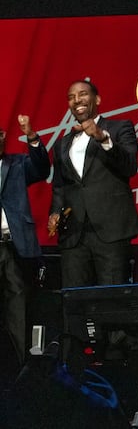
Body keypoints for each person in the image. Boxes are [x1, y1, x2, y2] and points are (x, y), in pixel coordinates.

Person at [48, 80, 138, 288]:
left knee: (111, 302)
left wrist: (101, 137)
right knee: (75, 302)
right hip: (74, 235)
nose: (77, 100)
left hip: (111, 232)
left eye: (82, 94)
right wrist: (55, 212)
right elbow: (60, 186)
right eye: (71, 97)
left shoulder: (119, 128)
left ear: (97, 99)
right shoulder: (62, 143)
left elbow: (130, 167)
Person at [0, 115, 50, 365]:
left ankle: (20, 368)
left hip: (13, 244)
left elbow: (42, 169)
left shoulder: (17, 164)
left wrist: (32, 137)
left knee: (18, 307)